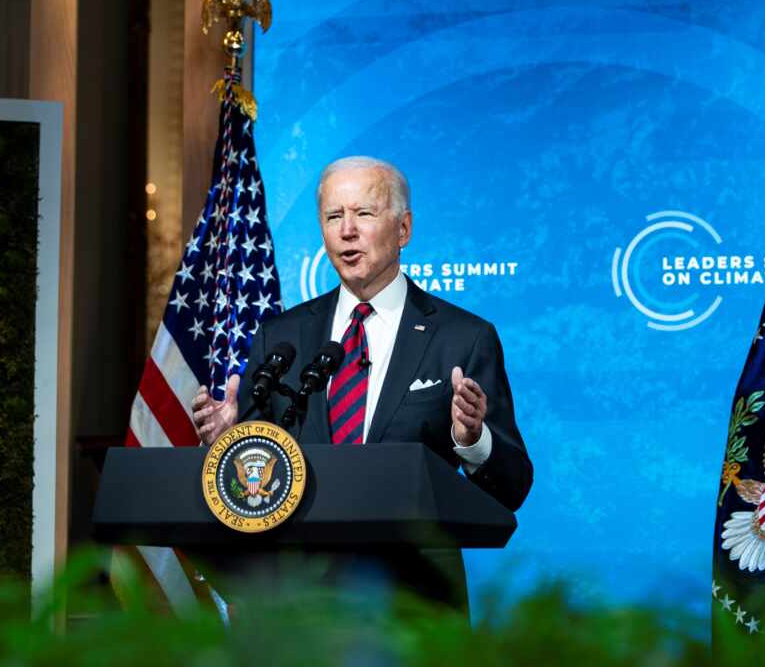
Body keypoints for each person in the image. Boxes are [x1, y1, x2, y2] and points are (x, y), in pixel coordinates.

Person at [190, 155, 532, 608]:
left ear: (404, 230)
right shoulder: (282, 337)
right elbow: (257, 485)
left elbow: (512, 486)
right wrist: (231, 440)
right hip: (297, 605)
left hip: (414, 608)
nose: (346, 230)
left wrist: (472, 440)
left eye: (364, 214)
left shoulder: (463, 338)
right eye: (334, 217)